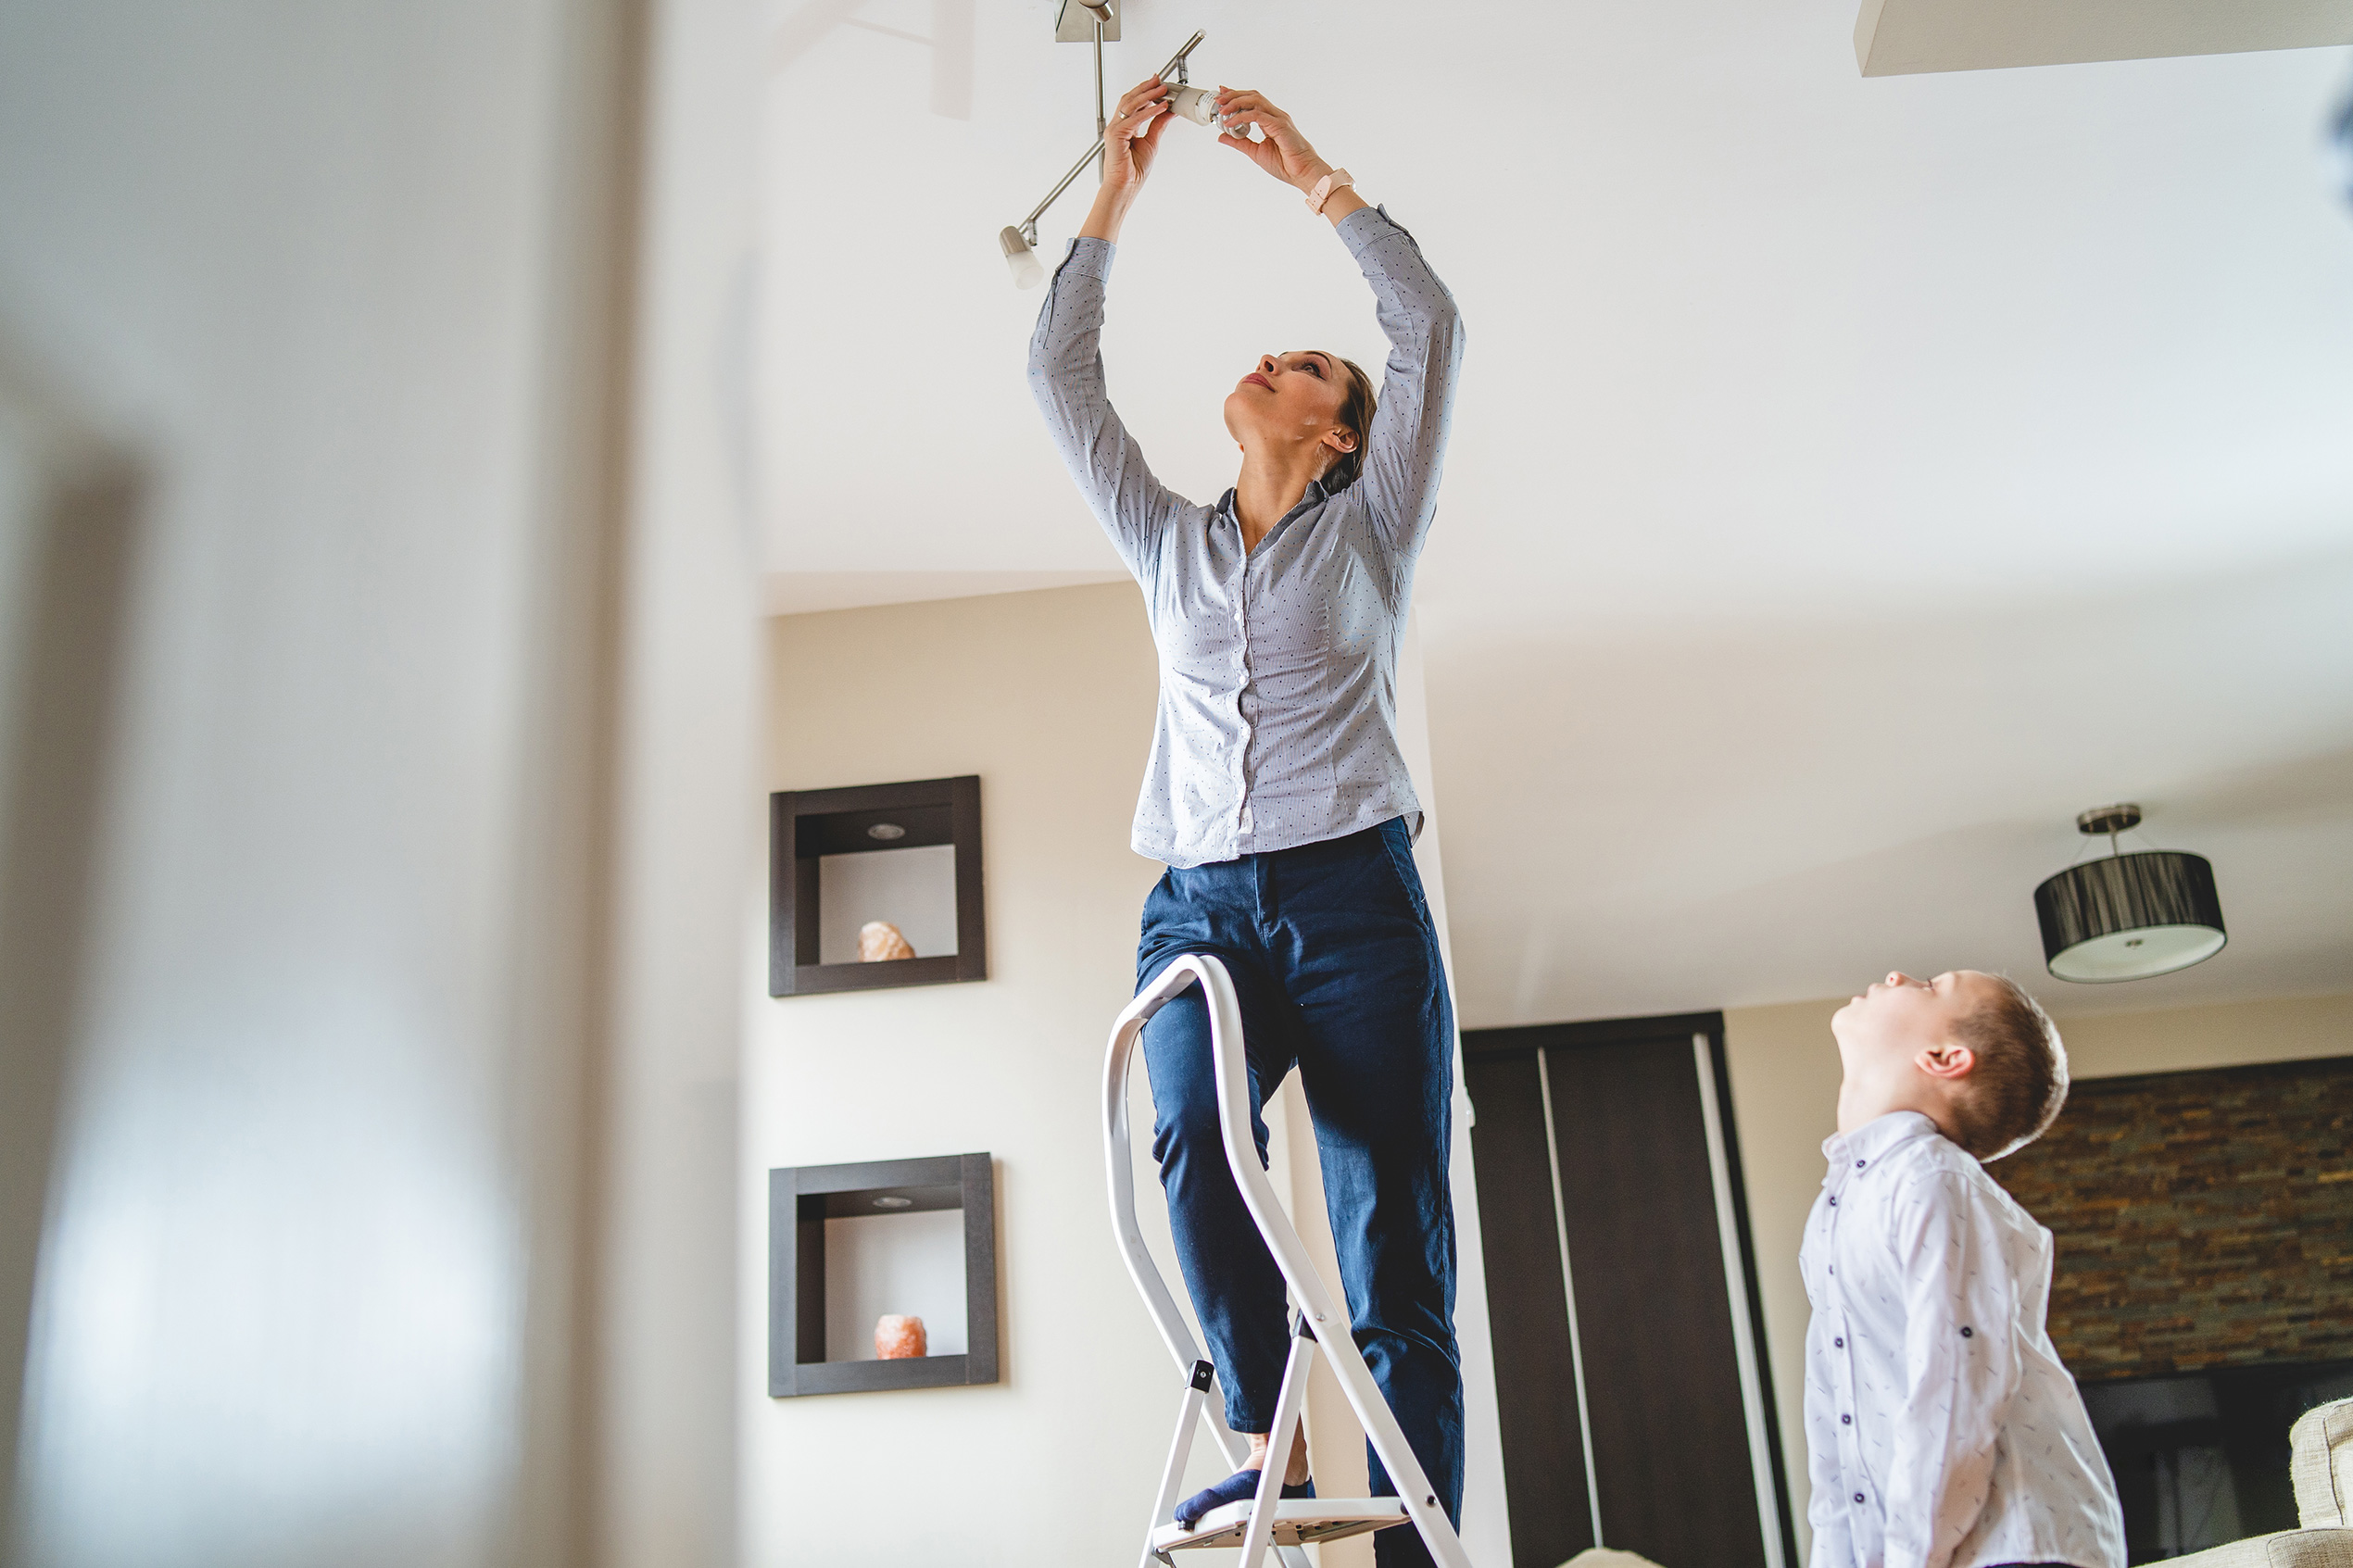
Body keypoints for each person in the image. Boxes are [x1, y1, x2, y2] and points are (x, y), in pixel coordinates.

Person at [1026, 72, 1466, 1564]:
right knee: (1193, 1148)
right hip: (1200, 904)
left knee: (1387, 1231)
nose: (1275, 362)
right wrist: (1116, 190)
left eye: (1307, 370)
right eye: (1277, 355)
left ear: (1344, 434)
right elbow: (1059, 380)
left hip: (1355, 902)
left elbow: (1430, 332)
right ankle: (1268, 1451)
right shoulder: (1165, 543)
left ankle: (1414, 1543)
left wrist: (1316, 175)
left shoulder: (1373, 524)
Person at [1805, 970, 2127, 1568]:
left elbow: (1956, 1388)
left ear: (1947, 1057)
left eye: (1928, 985)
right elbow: (1834, 1421)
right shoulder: (1839, 1203)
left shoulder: (1933, 1181)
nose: (1899, 974)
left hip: (2018, 1547)